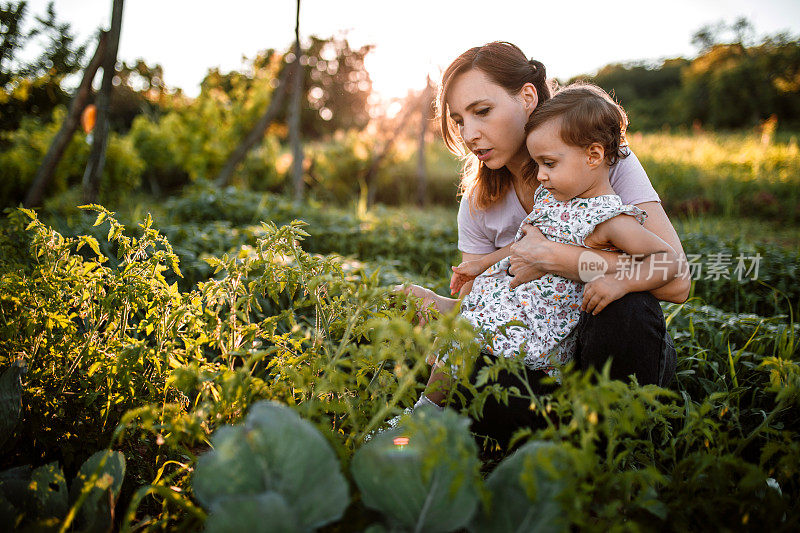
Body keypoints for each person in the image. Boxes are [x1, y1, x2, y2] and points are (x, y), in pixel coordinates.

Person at [402, 41, 689, 448]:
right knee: (456, 358)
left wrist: (558, 258)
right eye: (459, 120)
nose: (469, 134)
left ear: (528, 96)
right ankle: (570, 440)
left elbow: (677, 282)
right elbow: (488, 309)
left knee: (626, 305)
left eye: (482, 112)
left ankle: (609, 441)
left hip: (609, 351)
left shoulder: (603, 161)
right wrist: (443, 305)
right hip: (533, 361)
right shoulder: (477, 204)